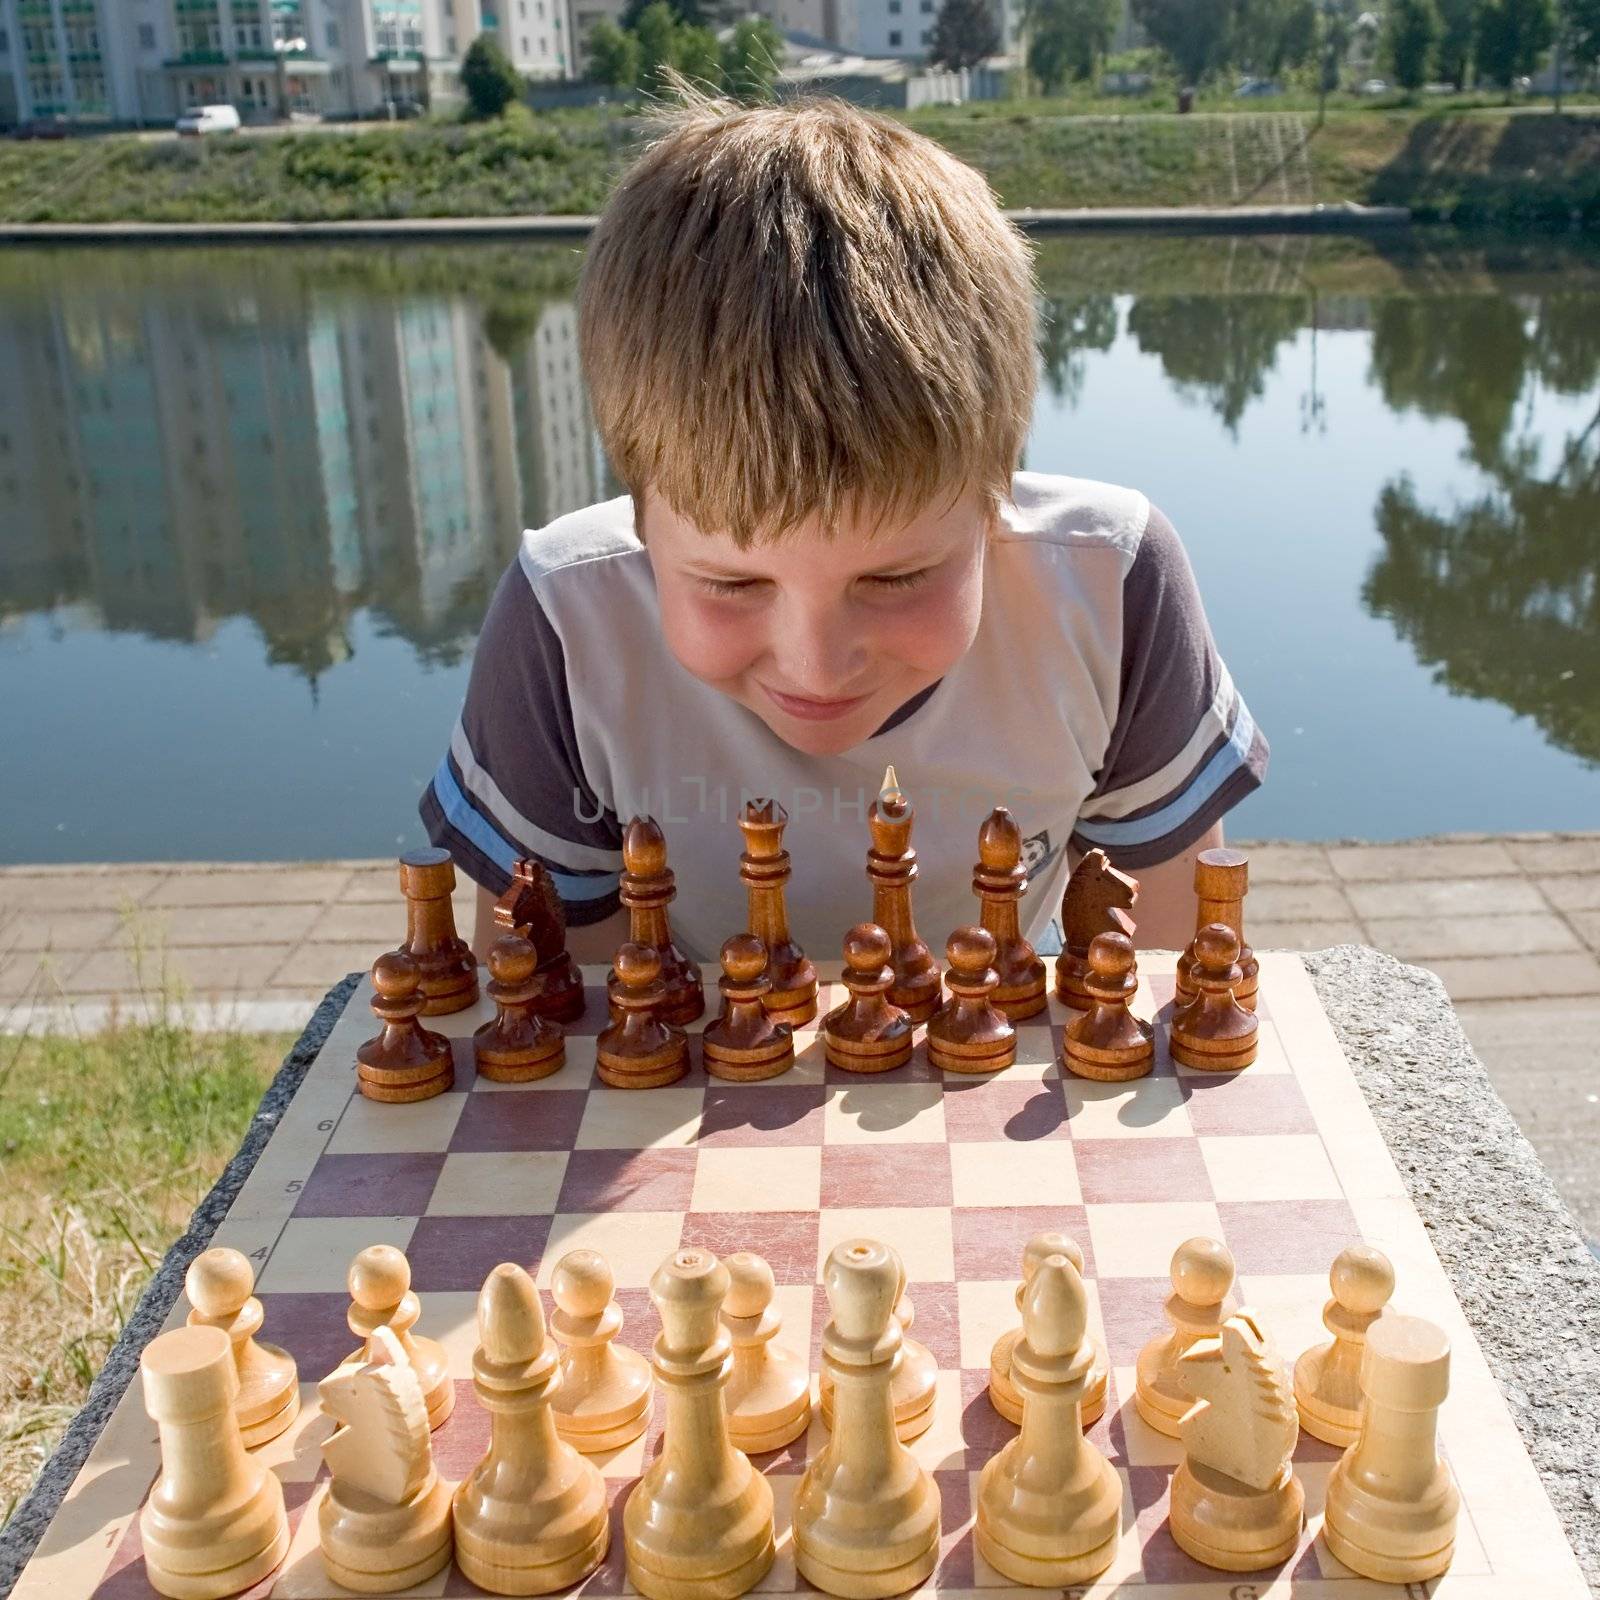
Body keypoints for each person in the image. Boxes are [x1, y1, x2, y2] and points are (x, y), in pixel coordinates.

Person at [420, 89, 1268, 967]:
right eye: (733, 583)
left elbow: (1174, 972)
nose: (817, 665)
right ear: (638, 517)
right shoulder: (562, 623)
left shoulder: (1115, 587)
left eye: (896, 579)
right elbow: (550, 1017)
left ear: (994, 500)